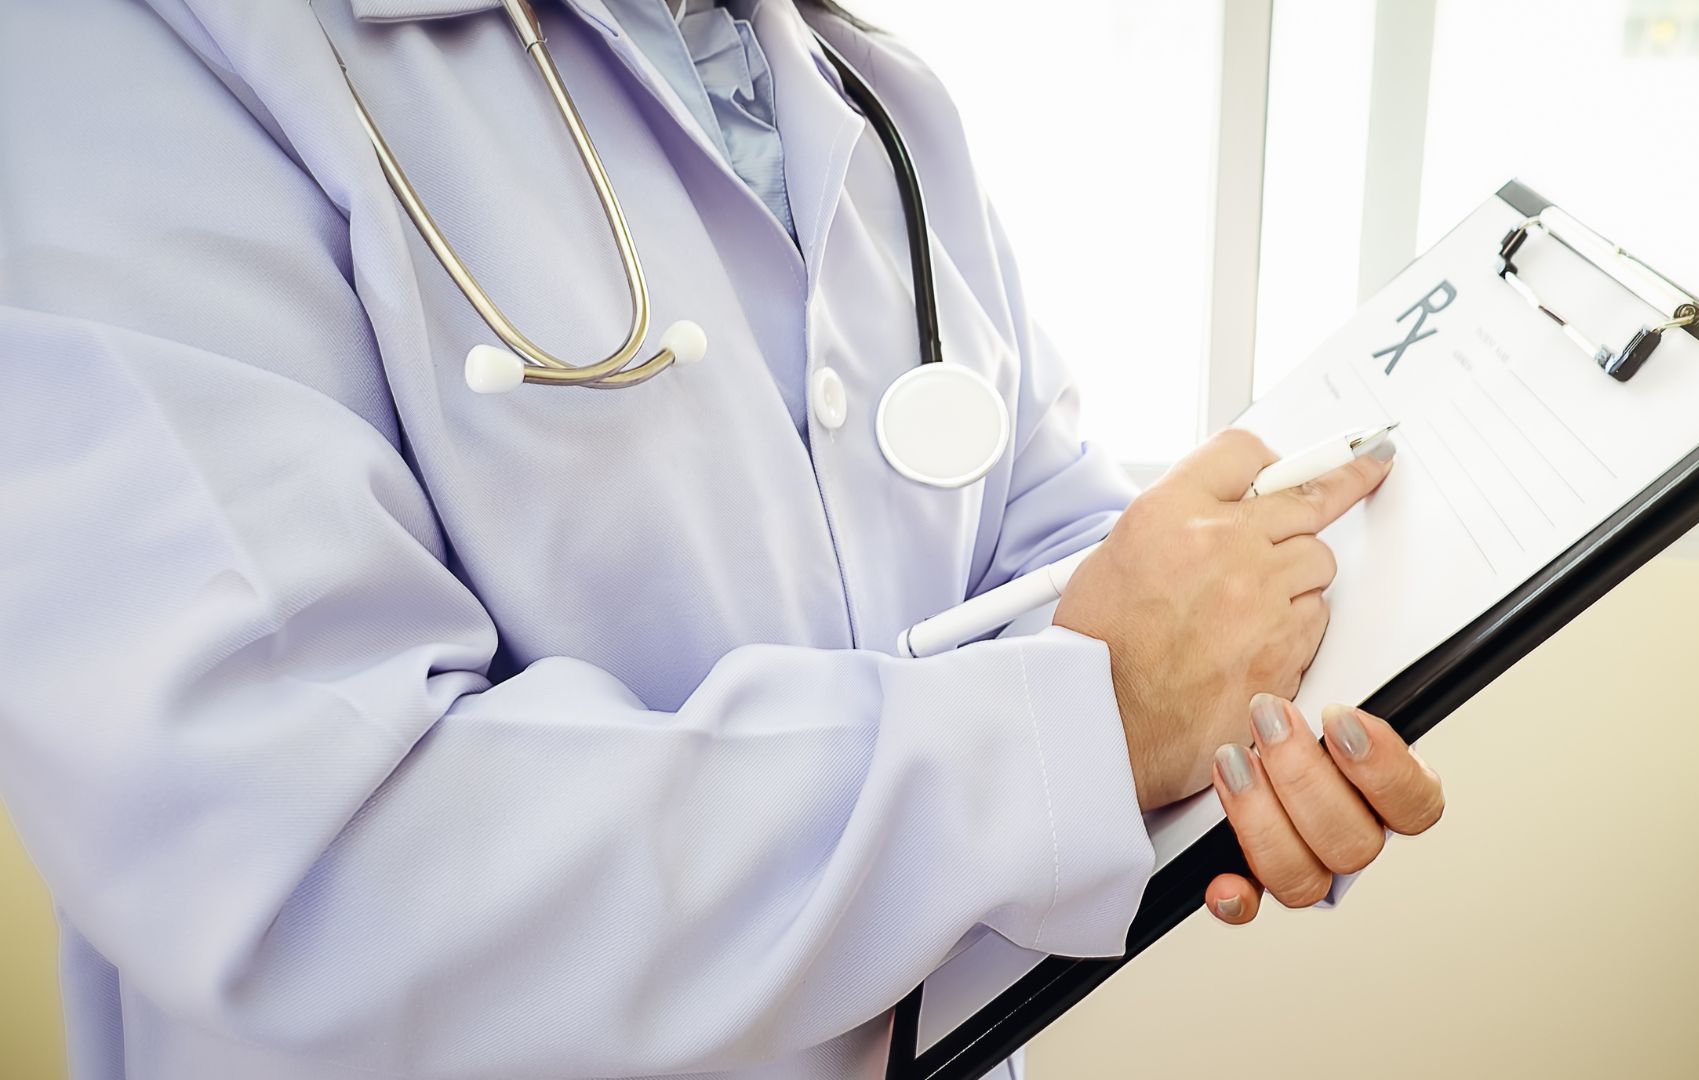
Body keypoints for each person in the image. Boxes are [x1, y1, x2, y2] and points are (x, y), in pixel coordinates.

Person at [0, 1, 1444, 1077]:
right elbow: (310, 862)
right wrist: (1091, 730)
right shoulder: (120, 60)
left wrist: (1254, 729)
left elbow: (1036, 552)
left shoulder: (864, 92)